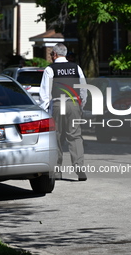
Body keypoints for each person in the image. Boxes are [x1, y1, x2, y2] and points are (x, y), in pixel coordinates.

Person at [39, 43, 88, 181]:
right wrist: (80, 105)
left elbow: (44, 93)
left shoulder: (50, 69)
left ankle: (56, 172)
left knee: (56, 137)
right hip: (73, 103)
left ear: (54, 54)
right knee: (75, 137)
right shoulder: (76, 67)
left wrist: (46, 111)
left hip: (57, 104)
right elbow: (83, 89)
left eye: (51, 55)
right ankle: (80, 168)